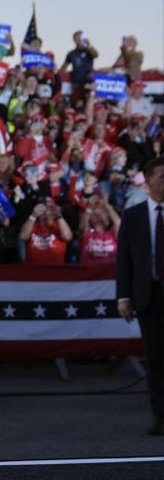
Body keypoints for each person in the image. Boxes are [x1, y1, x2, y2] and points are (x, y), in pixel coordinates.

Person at [116, 155, 164, 435]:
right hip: (148, 296)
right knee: (155, 359)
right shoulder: (133, 216)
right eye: (161, 177)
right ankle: (160, 414)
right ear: (147, 181)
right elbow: (125, 259)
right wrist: (123, 297)